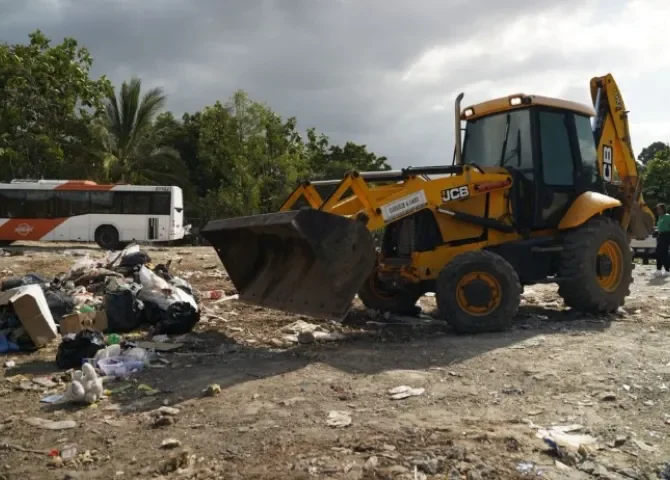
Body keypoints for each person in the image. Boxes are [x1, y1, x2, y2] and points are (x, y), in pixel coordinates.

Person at [654, 203, 670, 276]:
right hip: (660, 236)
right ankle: (658, 270)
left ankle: (667, 270)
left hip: (666, 235)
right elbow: (660, 227)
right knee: (658, 253)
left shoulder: (667, 216)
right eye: (657, 209)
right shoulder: (660, 217)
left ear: (663, 209)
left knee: (664, 253)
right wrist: (656, 231)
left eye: (659, 209)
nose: (658, 210)